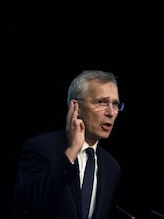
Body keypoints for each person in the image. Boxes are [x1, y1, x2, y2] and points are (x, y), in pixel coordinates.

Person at [12, 70, 124, 219]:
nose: (111, 112)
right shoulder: (40, 148)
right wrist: (71, 152)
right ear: (76, 107)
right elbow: (29, 203)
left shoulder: (112, 167)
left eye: (115, 104)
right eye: (101, 102)